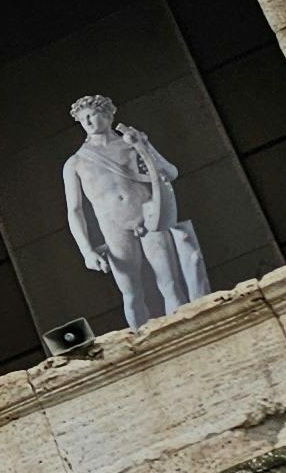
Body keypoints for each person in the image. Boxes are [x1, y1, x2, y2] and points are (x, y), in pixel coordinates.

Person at [61, 92, 210, 328]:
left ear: (108, 115)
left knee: (169, 283)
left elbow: (169, 173)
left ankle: (186, 330)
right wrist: (86, 251)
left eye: (92, 115)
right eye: (82, 119)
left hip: (149, 217)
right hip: (115, 228)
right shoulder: (75, 163)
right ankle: (140, 346)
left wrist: (143, 146)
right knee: (131, 294)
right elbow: (74, 210)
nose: (87, 122)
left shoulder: (132, 143)